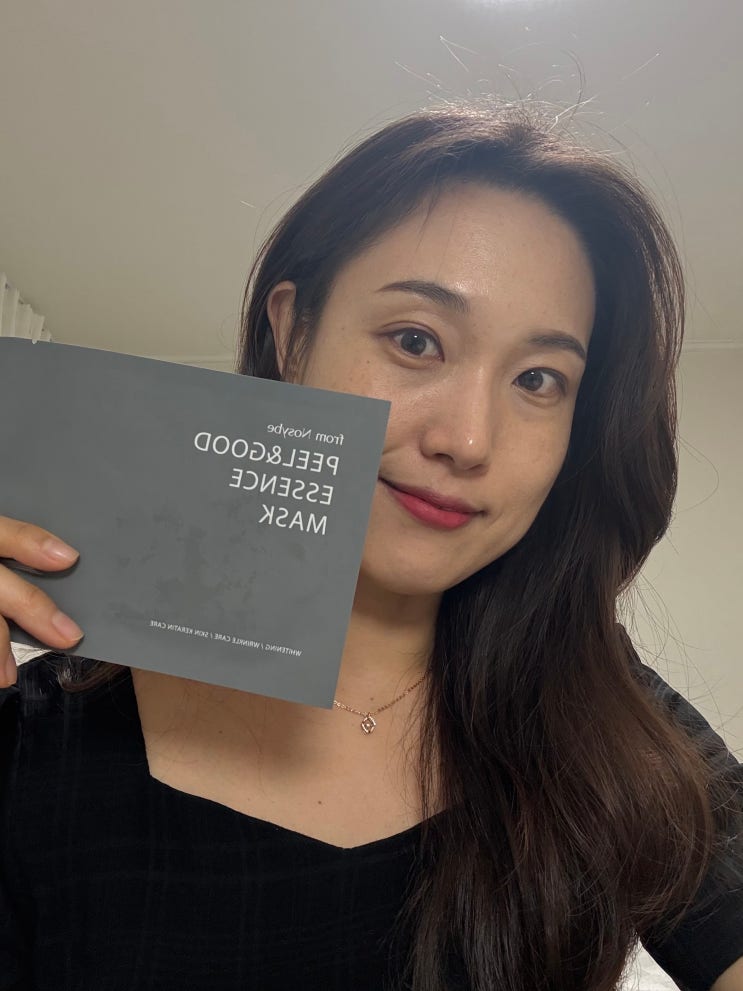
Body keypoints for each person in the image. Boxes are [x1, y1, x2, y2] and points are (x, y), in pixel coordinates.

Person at [1, 99, 742, 991]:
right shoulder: (35, 738)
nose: (467, 439)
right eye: (414, 340)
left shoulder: (605, 710)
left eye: (538, 379)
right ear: (293, 333)